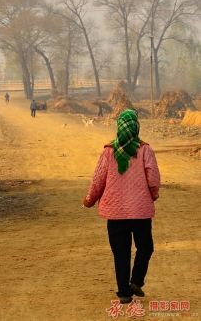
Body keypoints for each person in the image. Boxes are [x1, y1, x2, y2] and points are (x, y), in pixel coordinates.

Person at [82, 109, 160, 304]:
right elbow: (153, 179)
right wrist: (153, 194)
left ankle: (124, 293)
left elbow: (97, 180)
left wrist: (89, 200)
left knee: (121, 252)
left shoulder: (108, 151)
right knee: (146, 247)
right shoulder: (145, 150)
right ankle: (136, 280)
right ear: (136, 126)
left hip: (115, 213)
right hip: (140, 212)